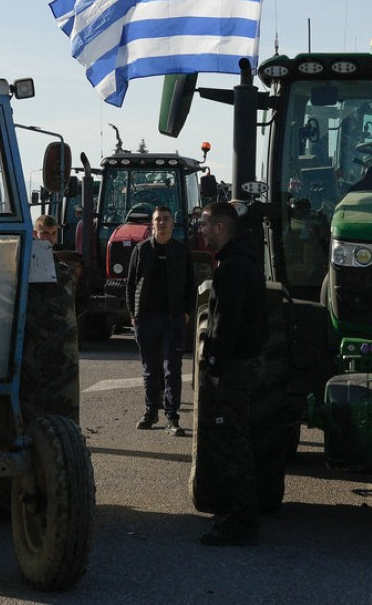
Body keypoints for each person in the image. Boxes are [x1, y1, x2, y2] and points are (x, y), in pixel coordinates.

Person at [194, 201, 267, 545]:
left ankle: (242, 522)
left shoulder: (232, 268)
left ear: (220, 228)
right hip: (242, 365)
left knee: (231, 441)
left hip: (234, 369)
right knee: (234, 438)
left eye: (205, 226)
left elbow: (226, 324)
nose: (201, 231)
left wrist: (216, 367)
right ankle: (236, 513)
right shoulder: (241, 261)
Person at [126, 205, 195, 436]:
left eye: (166, 219)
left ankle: (172, 417)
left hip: (173, 319)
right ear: (152, 224)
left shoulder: (181, 252)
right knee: (150, 369)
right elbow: (130, 285)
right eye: (158, 219)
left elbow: (190, 285)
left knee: (171, 369)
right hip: (146, 319)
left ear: (173, 223)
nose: (162, 223)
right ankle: (150, 411)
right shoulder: (141, 250)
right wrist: (134, 315)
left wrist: (185, 313)